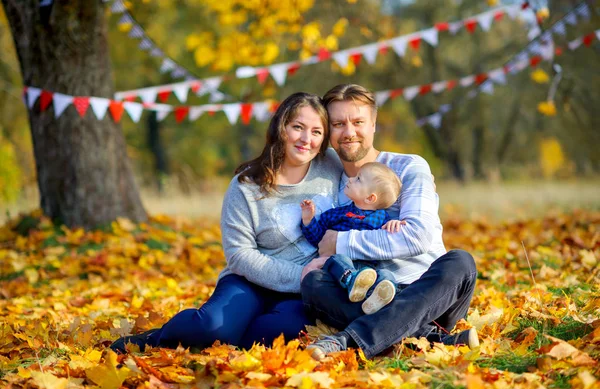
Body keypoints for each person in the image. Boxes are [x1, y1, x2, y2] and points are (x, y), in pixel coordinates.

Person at [110, 92, 343, 354]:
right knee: (212, 329)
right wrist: (300, 274)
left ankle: (232, 333)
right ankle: (158, 337)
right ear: (281, 127)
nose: (306, 139)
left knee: (277, 335)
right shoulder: (246, 185)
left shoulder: (332, 166)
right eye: (297, 127)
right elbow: (239, 255)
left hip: (301, 294)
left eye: (316, 132)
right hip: (249, 281)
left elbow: (372, 168)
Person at [300, 84, 479, 361]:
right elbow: (321, 243)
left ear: (373, 125)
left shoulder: (409, 167)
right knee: (313, 282)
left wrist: (341, 242)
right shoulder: (331, 185)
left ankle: (348, 340)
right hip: (369, 297)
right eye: (338, 124)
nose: (349, 132)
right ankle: (433, 338)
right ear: (329, 132)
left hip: (429, 293)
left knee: (461, 262)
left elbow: (417, 237)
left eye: (358, 122)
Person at [300, 162, 406, 315]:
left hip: (368, 268)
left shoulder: (382, 218)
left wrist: (394, 223)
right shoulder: (338, 214)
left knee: (386, 275)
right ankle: (351, 279)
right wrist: (309, 221)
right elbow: (319, 240)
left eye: (358, 179)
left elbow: (391, 239)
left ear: (370, 198)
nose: (350, 179)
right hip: (340, 267)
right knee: (335, 260)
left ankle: (377, 297)